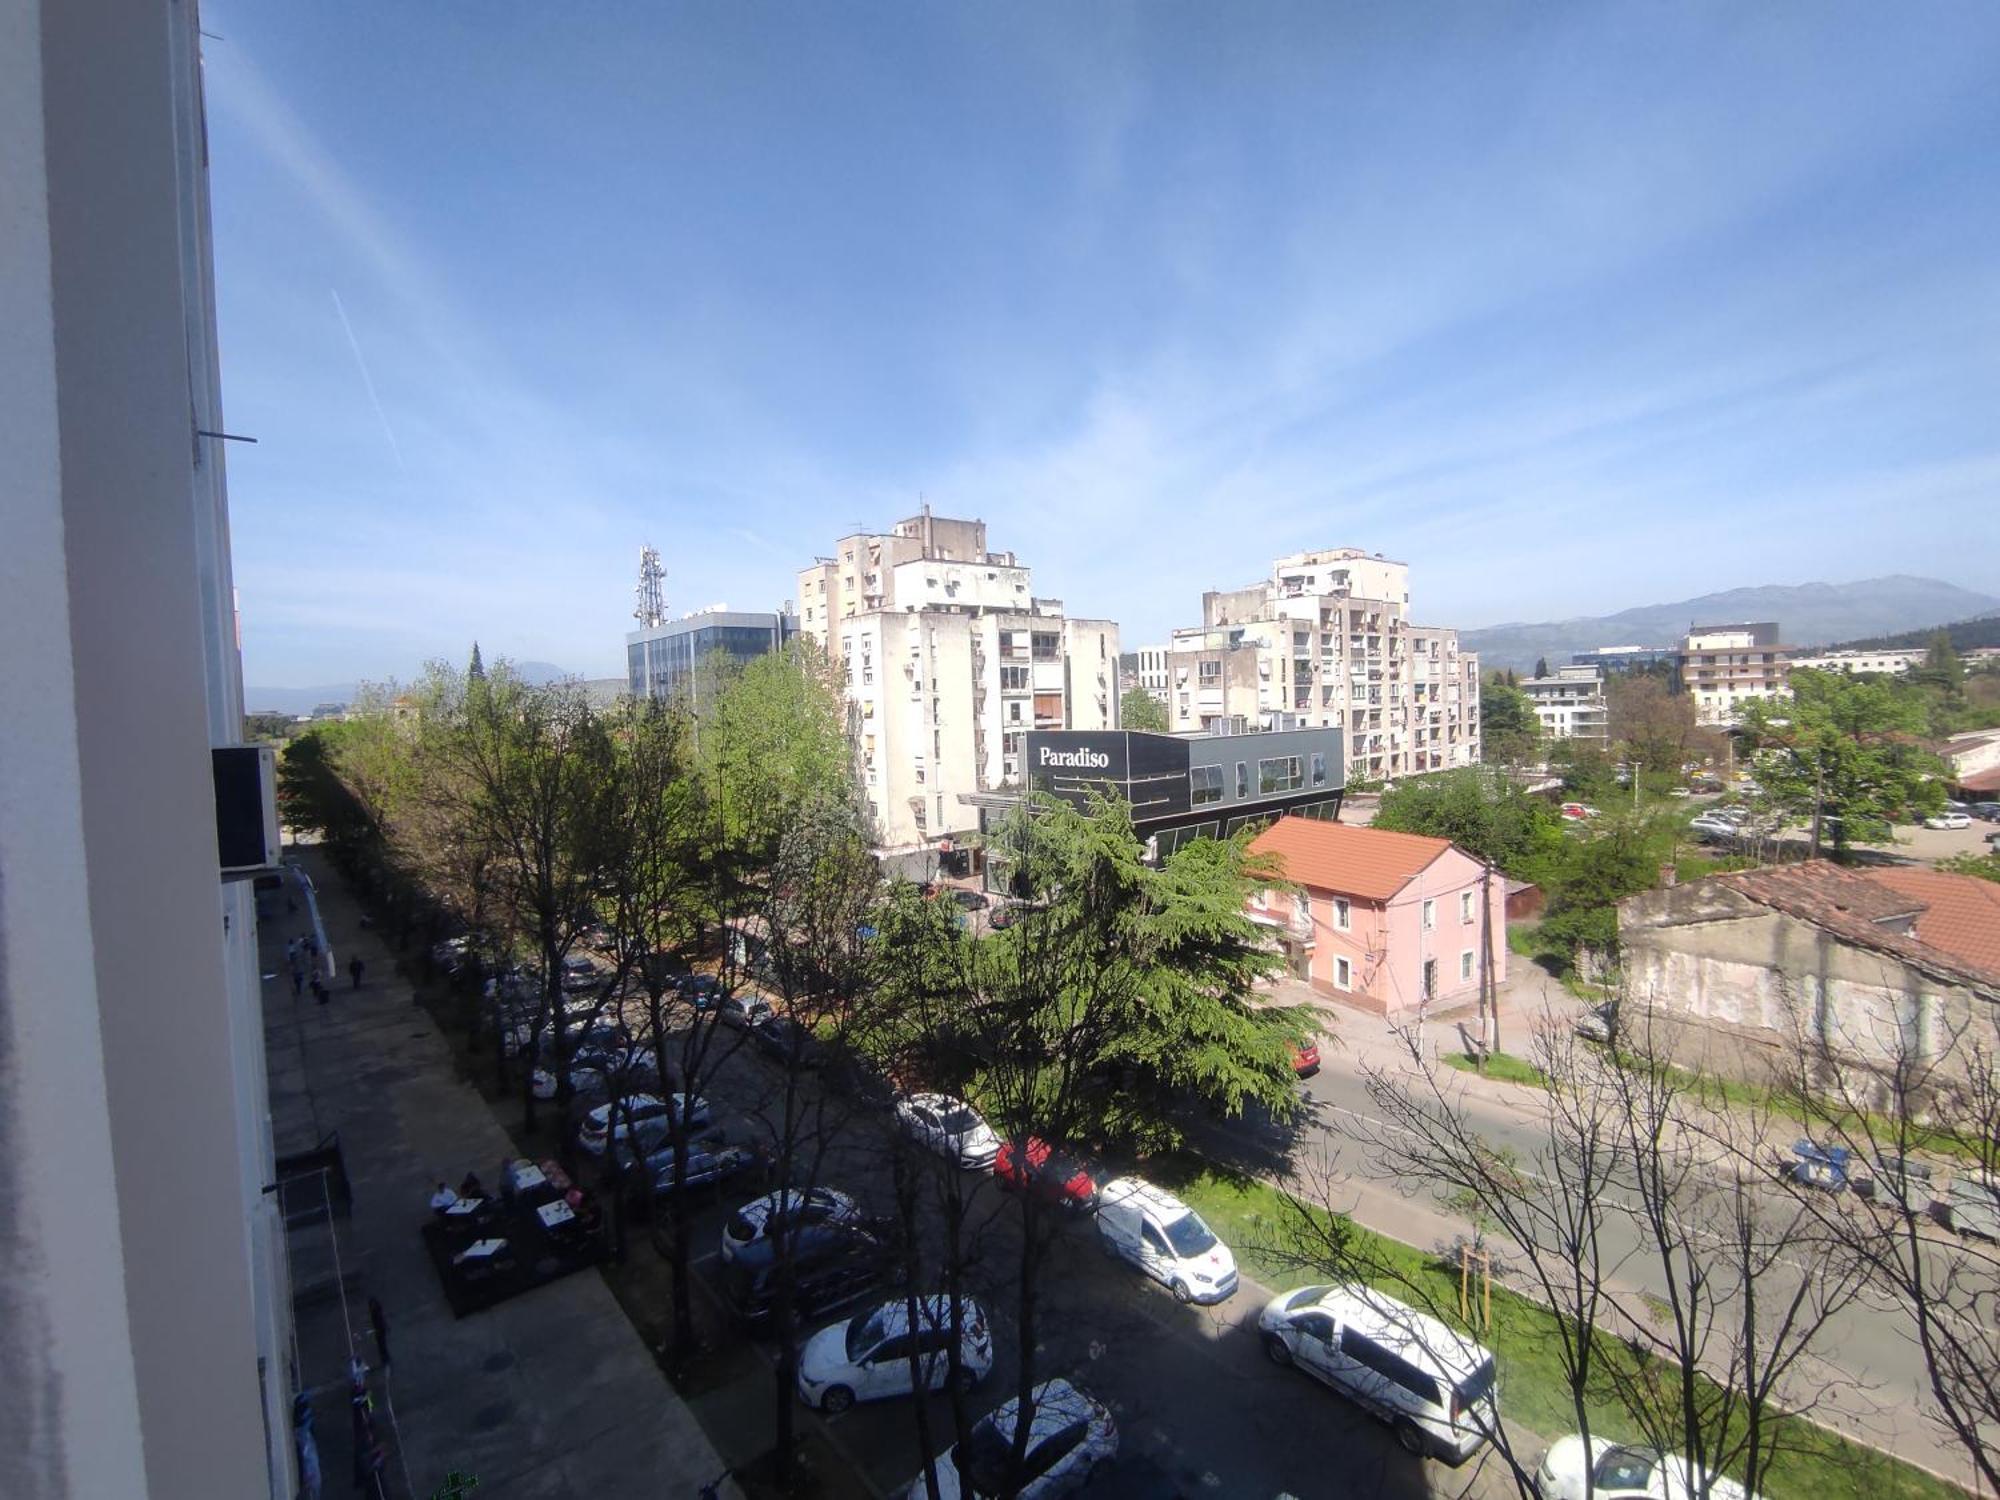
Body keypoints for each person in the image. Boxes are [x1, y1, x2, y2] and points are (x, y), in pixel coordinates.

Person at [367, 1296, 391, 1371]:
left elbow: (381, 1321)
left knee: (382, 1346)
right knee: (382, 1346)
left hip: (380, 1330)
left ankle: (386, 1360)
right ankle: (386, 1360)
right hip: (379, 1330)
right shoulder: (376, 1311)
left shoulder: (376, 1312)